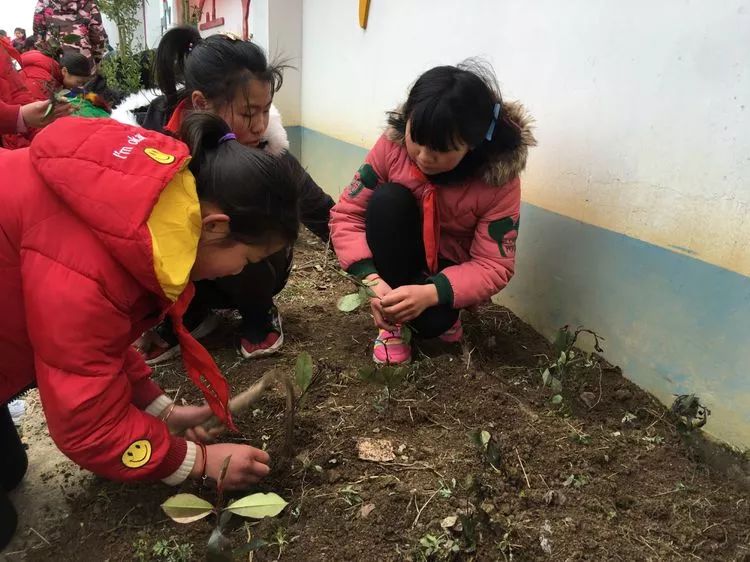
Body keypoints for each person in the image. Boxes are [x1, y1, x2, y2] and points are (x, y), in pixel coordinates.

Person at [0, 112, 301, 551]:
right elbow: (86, 428)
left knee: (11, 469)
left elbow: (97, 344)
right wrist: (195, 460)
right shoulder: (89, 271)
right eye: (250, 260)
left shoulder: (148, 205)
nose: (244, 272)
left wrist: (160, 410)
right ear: (216, 228)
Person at [116, 26, 333, 362]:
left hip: (243, 266)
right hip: (188, 266)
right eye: (248, 113)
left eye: (266, 110)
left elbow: (319, 208)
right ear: (201, 103)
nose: (260, 124)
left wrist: (368, 268)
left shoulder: (265, 147)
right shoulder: (151, 143)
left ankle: (258, 313)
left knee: (247, 226)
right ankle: (187, 318)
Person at [329, 61, 536, 365]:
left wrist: (431, 293)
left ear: (473, 144)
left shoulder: (497, 179)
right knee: (388, 200)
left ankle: (445, 318)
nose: (424, 157)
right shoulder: (393, 146)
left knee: (431, 324)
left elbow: (493, 264)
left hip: (447, 273)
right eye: (418, 140)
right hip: (402, 257)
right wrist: (371, 281)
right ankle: (392, 325)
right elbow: (348, 214)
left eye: (442, 150)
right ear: (408, 119)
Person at [33, 0, 108, 67]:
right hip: (83, 64)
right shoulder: (90, 4)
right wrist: (97, 59)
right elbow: (98, 37)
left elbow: (38, 36)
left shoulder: (43, 3)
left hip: (53, 63)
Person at [22, 51, 92, 99]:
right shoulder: (39, 79)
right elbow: (38, 110)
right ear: (64, 71)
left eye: (83, 83)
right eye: (79, 82)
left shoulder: (56, 72)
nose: (80, 86)